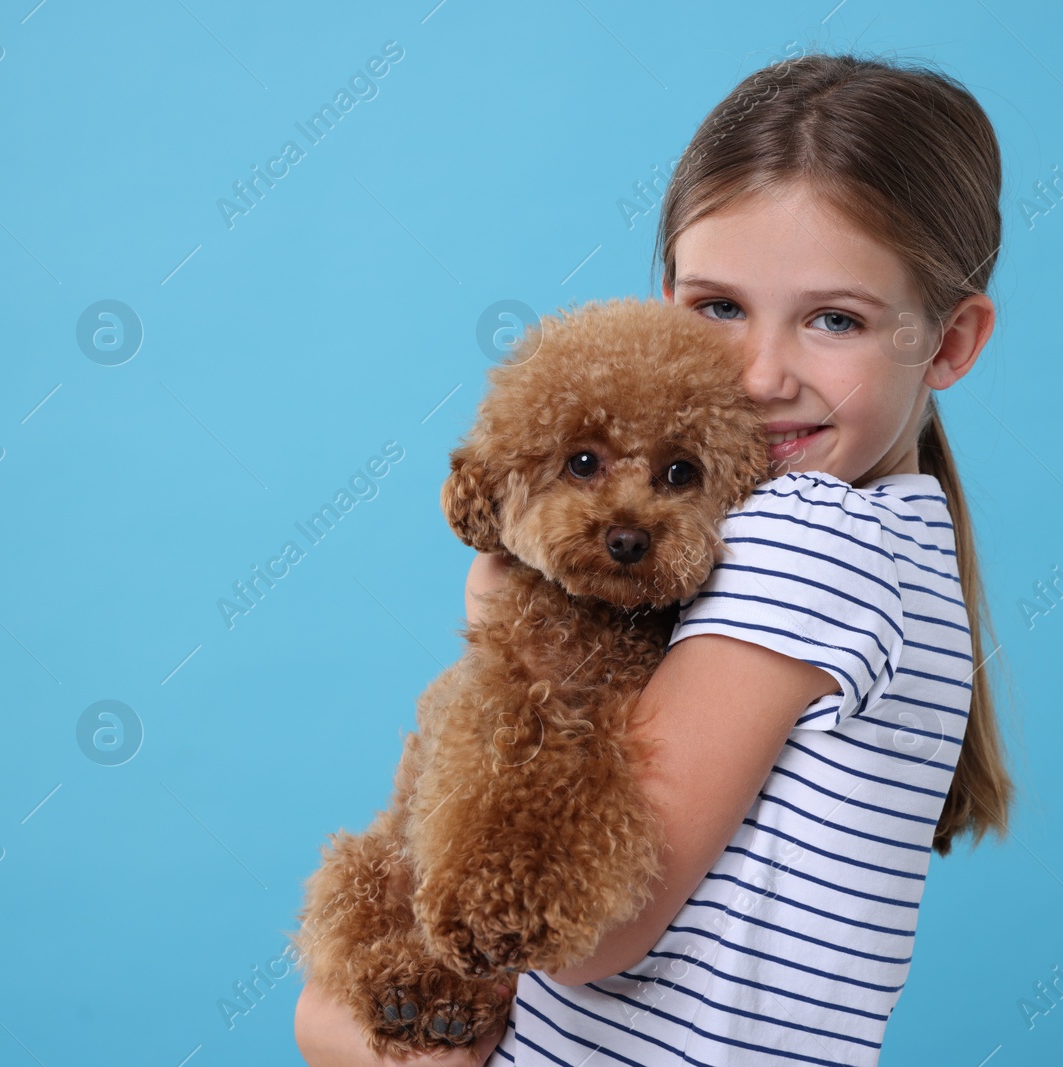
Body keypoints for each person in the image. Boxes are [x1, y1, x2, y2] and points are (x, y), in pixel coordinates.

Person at [295, 48, 1014, 1066]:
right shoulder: (890, 536)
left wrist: (507, 624)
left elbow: (582, 933)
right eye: (718, 307)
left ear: (946, 342)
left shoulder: (809, 540)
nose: (761, 374)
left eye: (835, 318)